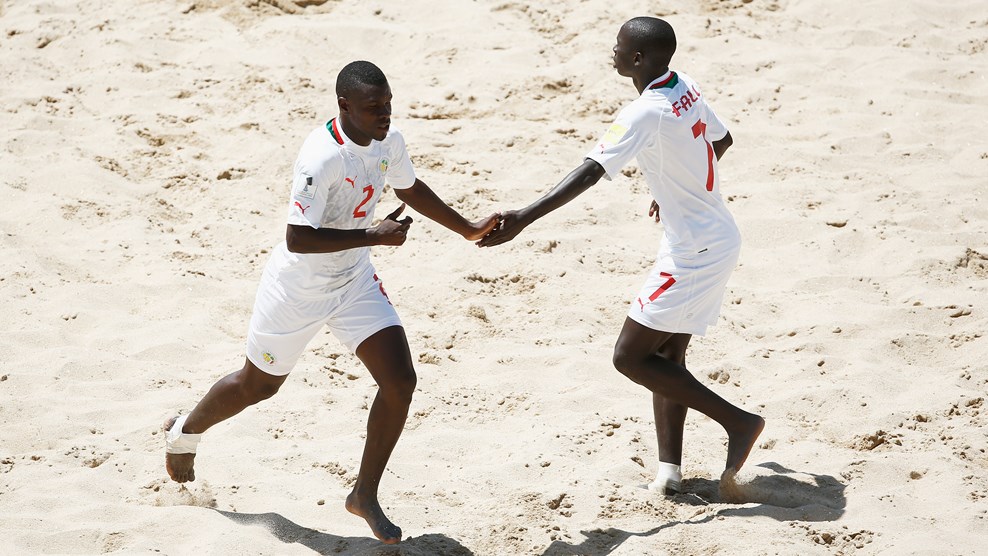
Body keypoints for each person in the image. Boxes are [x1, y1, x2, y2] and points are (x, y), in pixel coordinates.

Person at [164, 60, 499, 544]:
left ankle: (364, 494)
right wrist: (374, 235)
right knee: (256, 386)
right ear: (344, 106)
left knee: (400, 381)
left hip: (354, 281)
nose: (384, 115)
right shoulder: (321, 158)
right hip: (298, 289)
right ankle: (184, 432)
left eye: (387, 104)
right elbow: (298, 238)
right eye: (372, 108)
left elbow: (409, 187)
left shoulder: (389, 140)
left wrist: (466, 229)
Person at [478, 17, 764, 494]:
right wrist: (676, 186)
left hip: (695, 251)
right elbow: (721, 140)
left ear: (637, 60)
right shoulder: (683, 86)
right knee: (667, 357)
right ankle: (669, 472)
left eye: (619, 47)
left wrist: (523, 217)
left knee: (630, 357)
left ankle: (738, 422)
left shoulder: (644, 112)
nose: (612, 52)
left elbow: (590, 172)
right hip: (712, 237)